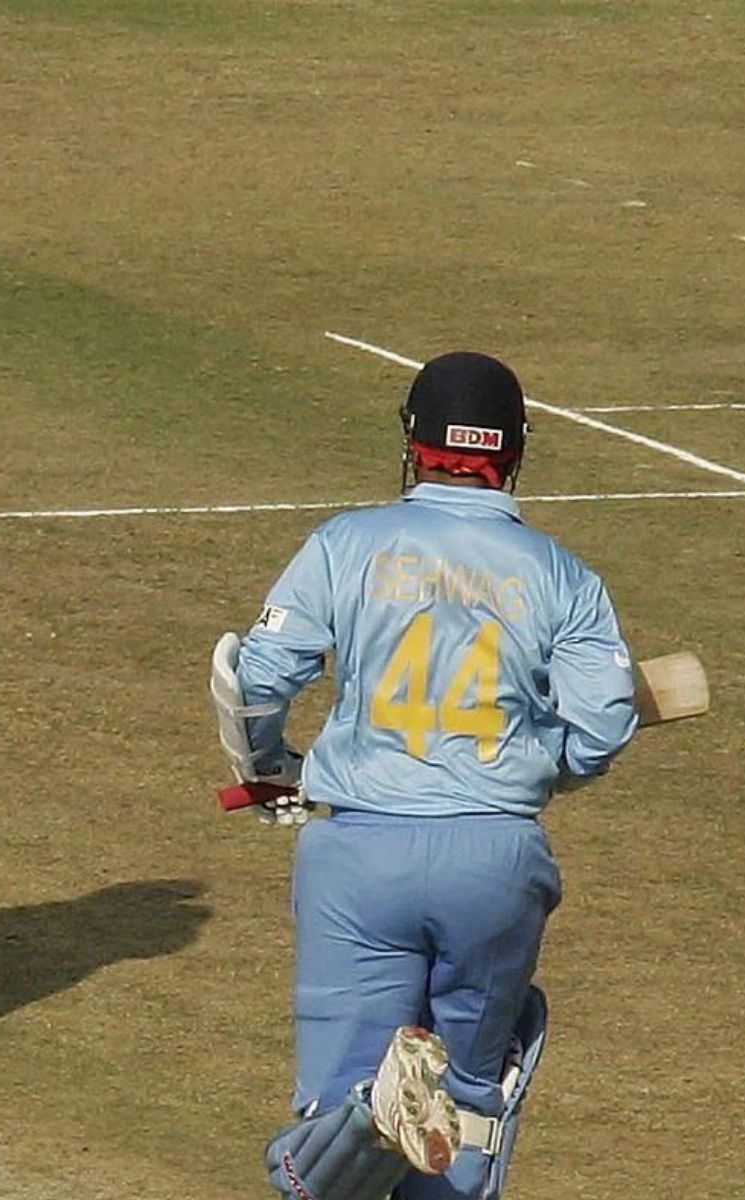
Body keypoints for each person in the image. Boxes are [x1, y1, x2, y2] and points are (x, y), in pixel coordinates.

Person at [213, 352, 639, 1198]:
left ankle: (359, 1127)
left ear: (415, 443)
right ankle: (434, 1109)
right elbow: (602, 727)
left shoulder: (347, 543)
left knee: (331, 1122)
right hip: (496, 858)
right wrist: (526, 768)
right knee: (466, 1112)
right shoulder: (563, 576)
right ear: (514, 453)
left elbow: (254, 678)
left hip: (359, 856)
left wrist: (269, 766)